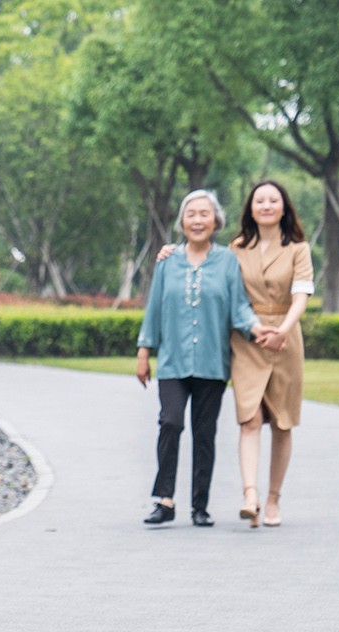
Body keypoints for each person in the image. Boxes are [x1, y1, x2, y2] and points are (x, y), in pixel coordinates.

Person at [157, 179, 313, 527]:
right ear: (250, 209)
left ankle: (273, 499)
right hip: (247, 340)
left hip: (285, 338)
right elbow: (205, 263)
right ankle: (250, 496)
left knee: (283, 424)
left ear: (284, 207)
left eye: (274, 200)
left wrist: (282, 331)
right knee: (250, 419)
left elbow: (301, 294)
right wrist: (171, 251)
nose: (267, 206)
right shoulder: (236, 248)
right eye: (260, 200)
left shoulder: (298, 248)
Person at [135, 190, 271, 528]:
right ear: (182, 221)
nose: (197, 220)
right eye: (191, 214)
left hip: (212, 362)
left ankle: (200, 505)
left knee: (204, 433)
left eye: (204, 214)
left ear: (215, 222)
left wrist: (257, 328)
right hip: (172, 361)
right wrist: (143, 350)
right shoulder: (167, 261)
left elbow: (239, 306)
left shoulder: (226, 262)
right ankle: (164, 499)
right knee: (171, 422)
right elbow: (154, 307)